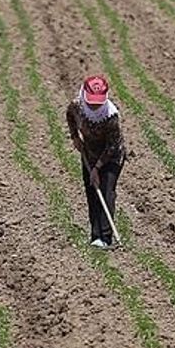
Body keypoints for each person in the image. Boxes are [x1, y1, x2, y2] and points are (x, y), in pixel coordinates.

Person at [66, 75, 124, 248]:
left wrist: (97, 168)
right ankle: (95, 236)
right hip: (89, 153)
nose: (94, 106)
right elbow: (70, 116)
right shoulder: (77, 106)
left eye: (98, 103)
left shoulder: (111, 117)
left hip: (111, 157)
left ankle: (106, 237)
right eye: (91, 102)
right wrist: (75, 136)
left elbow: (112, 146)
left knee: (106, 192)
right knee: (92, 192)